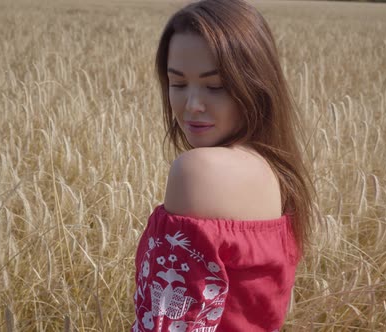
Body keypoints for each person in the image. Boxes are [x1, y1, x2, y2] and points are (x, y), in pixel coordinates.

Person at [132, 0, 314, 331]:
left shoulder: (199, 172)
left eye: (215, 86)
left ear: (256, 85)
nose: (192, 105)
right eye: (178, 83)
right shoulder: (279, 172)